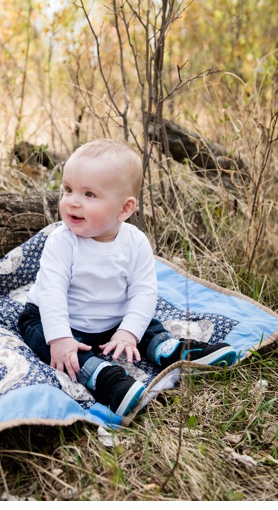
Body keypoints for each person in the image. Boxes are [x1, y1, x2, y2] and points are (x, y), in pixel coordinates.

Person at [18, 139, 237, 416]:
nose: (72, 201)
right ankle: (104, 378)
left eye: (89, 194)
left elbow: (144, 292)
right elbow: (52, 294)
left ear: (125, 209)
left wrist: (128, 332)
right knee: (48, 342)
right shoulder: (62, 242)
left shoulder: (135, 243)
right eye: (68, 190)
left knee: (146, 324)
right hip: (57, 318)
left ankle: (173, 351)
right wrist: (60, 338)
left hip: (114, 320)